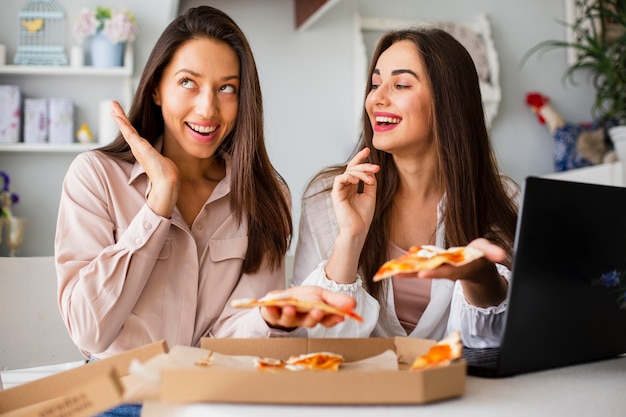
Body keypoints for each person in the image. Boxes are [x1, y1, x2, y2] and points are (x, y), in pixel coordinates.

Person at [55, 6, 354, 415]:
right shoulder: (95, 176)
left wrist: (270, 318)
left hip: (215, 396)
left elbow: (232, 341)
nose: (208, 109)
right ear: (157, 88)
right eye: (188, 83)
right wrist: (159, 202)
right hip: (118, 395)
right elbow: (91, 331)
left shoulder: (265, 195)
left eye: (227, 88)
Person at [292, 27, 519, 348]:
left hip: (462, 390)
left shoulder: (499, 198)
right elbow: (310, 337)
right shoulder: (329, 195)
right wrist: (351, 238)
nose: (377, 98)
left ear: (447, 102)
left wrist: (479, 276)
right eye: (374, 84)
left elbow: (501, 341)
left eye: (400, 85)